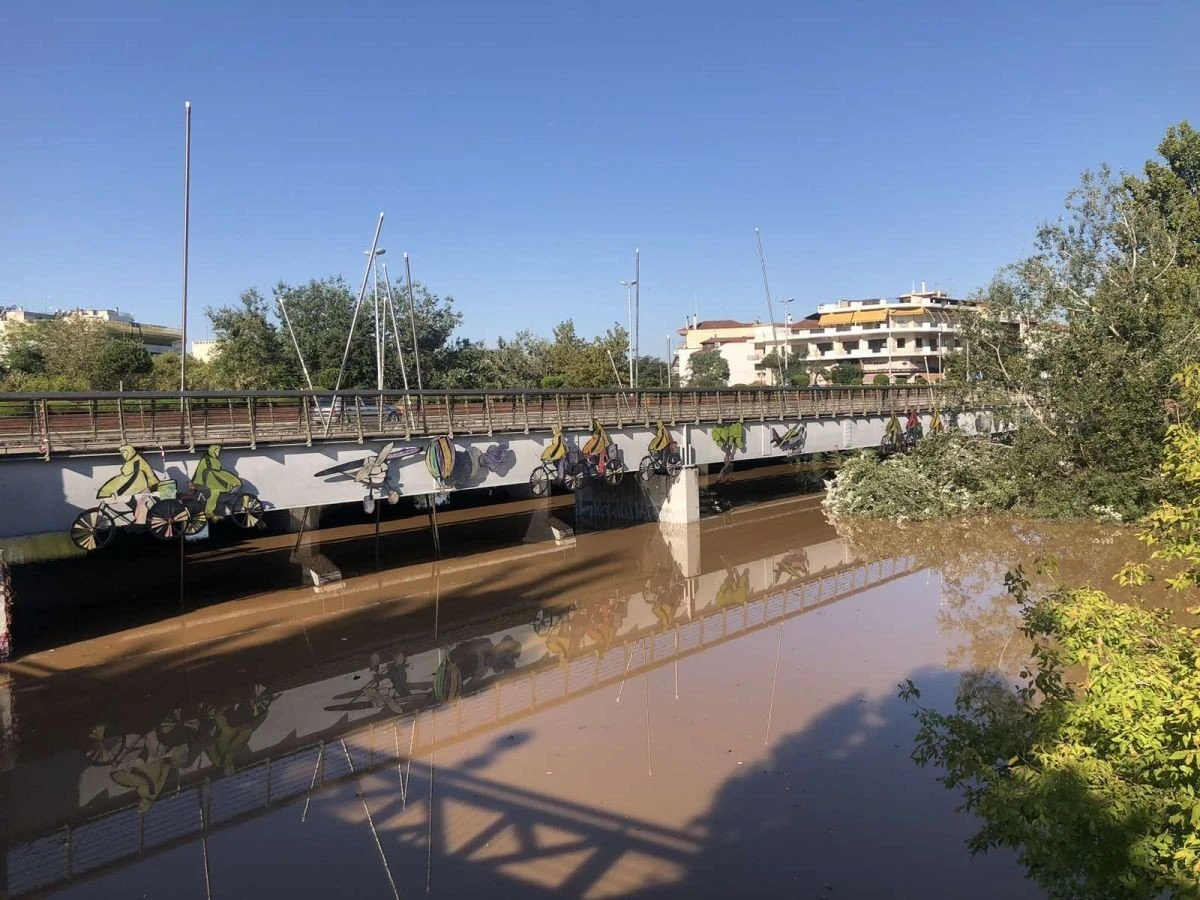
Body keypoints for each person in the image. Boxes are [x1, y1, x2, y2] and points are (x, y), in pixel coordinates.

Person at [96, 445, 158, 523]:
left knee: (140, 504)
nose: (123, 455)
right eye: (122, 453)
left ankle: (141, 524)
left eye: (124, 452)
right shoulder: (130, 462)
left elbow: (134, 479)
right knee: (130, 501)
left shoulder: (137, 461)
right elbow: (123, 479)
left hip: (147, 485)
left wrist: (119, 491)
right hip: (139, 486)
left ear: (130, 452)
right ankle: (139, 520)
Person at [191, 444, 242, 517]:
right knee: (217, 489)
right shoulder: (211, 460)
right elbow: (219, 473)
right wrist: (234, 481)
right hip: (208, 481)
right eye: (217, 451)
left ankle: (210, 511)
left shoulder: (206, 458)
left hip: (204, 481)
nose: (218, 453)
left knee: (215, 492)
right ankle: (209, 511)